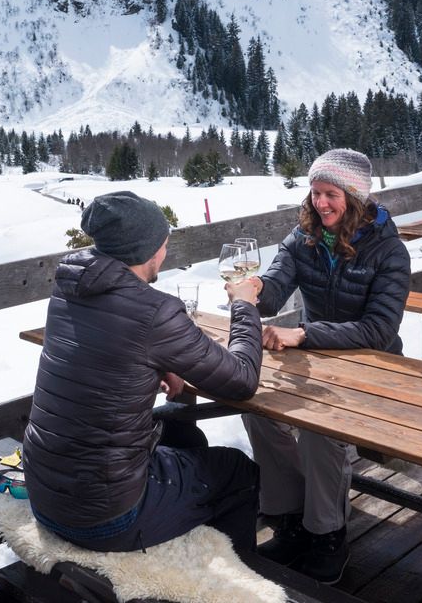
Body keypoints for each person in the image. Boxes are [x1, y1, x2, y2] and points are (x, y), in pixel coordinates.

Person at [24, 190, 265, 555]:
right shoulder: (154, 311)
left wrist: (161, 361)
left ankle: (185, 543)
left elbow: (107, 345)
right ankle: (236, 576)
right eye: (163, 243)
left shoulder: (70, 286)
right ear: (145, 250)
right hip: (106, 517)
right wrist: (244, 306)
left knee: (183, 434)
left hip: (46, 494)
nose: (165, 252)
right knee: (238, 470)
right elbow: (242, 380)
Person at [240, 148, 410, 584]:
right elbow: (275, 289)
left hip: (376, 370)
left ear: (355, 197)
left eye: (331, 194)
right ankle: (289, 517)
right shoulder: (304, 238)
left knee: (319, 430)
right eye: (315, 193)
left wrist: (304, 334)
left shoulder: (389, 251)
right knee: (255, 407)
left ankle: (327, 534)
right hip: (316, 364)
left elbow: (378, 330)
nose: (320, 203)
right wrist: (255, 287)